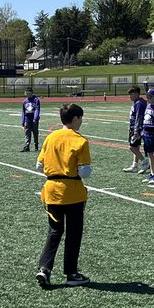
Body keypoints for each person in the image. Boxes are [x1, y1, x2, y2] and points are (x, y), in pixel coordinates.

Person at [35, 103, 92, 288]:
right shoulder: (80, 140)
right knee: (73, 233)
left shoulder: (50, 137)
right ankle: (71, 273)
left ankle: (44, 268)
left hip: (52, 191)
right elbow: (85, 172)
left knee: (54, 231)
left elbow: (39, 166)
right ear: (75, 118)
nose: (81, 121)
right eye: (80, 118)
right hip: (72, 192)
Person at [122, 85, 149, 174]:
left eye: (131, 94)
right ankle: (134, 165)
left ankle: (145, 162)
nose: (130, 96)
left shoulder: (139, 103)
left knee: (132, 147)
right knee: (136, 147)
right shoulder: (138, 102)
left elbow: (139, 117)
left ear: (137, 94)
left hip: (136, 128)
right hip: (136, 127)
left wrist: (136, 130)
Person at [21, 87, 41, 152]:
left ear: (31, 93)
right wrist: (23, 122)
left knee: (35, 132)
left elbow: (37, 109)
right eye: (26, 93)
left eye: (28, 93)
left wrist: (35, 118)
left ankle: (36, 146)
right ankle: (27, 146)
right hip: (27, 119)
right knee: (27, 133)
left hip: (34, 119)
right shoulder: (24, 101)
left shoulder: (36, 100)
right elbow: (23, 112)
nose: (27, 94)